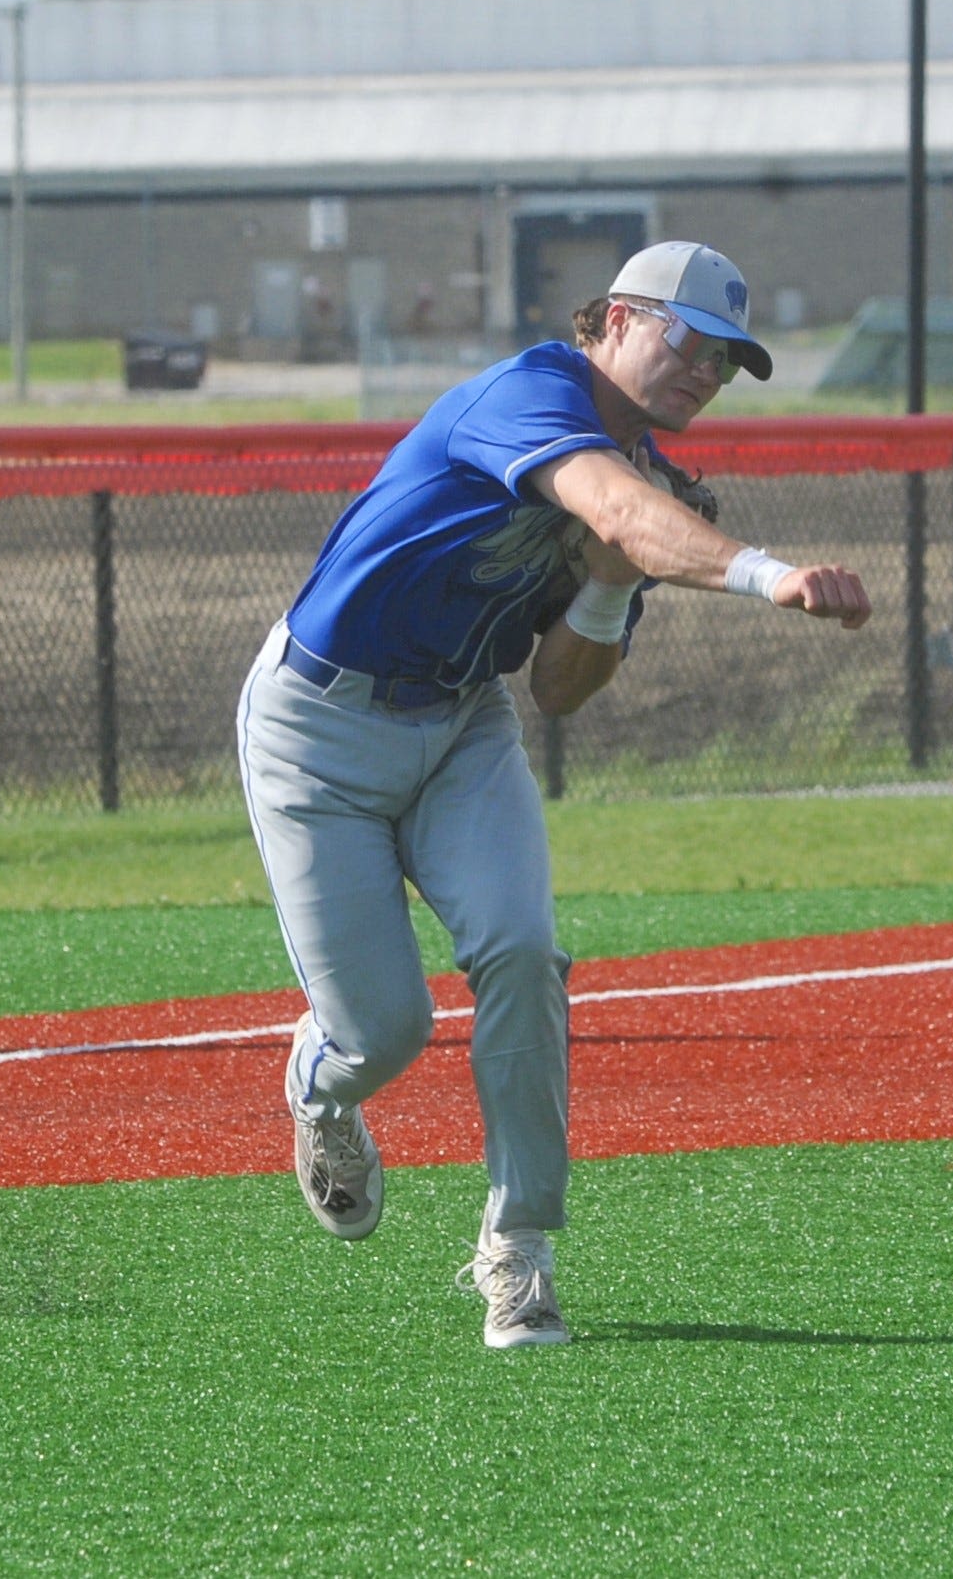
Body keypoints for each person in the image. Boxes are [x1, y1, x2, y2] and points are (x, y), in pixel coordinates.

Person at [237, 240, 871, 1348]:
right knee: (381, 1032)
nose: (703, 374)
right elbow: (614, 509)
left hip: (462, 724)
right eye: (689, 341)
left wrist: (608, 588)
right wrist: (769, 576)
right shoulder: (527, 394)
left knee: (523, 954)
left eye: (725, 363)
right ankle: (322, 1082)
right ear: (617, 320)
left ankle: (516, 1248)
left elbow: (561, 691)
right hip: (317, 729)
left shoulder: (652, 489)